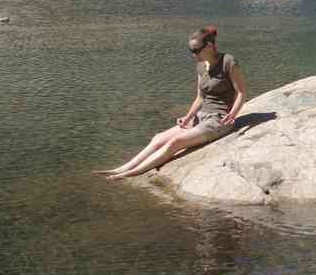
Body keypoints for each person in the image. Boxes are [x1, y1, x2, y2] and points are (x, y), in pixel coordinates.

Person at [99, 25, 245, 179]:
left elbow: (241, 92)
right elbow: (200, 97)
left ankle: (132, 173)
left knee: (175, 142)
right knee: (158, 138)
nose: (194, 55)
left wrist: (232, 114)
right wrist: (188, 117)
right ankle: (122, 168)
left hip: (218, 120)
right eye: (191, 51)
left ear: (209, 46)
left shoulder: (228, 61)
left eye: (196, 50)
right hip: (201, 116)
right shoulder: (201, 66)